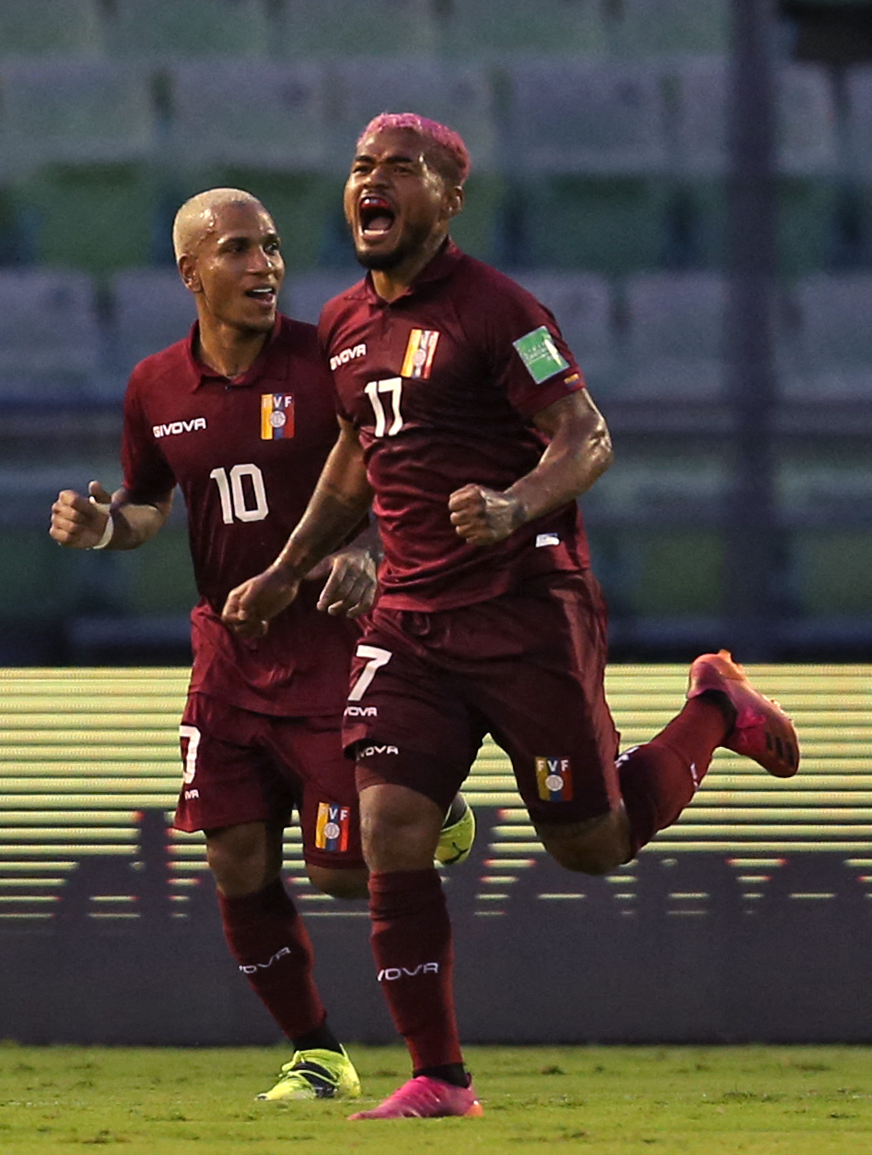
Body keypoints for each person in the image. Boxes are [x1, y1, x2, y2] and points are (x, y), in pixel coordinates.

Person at [222, 116, 801, 1120]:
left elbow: (587, 438)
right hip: (409, 618)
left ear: (447, 199)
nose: (372, 181)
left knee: (591, 843)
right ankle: (440, 1079)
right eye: (361, 166)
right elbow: (359, 455)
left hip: (526, 608)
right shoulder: (348, 325)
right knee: (381, 832)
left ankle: (715, 706)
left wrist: (512, 505)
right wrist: (287, 566)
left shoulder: (499, 313)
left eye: (400, 169)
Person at [48, 189, 475, 1102]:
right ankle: (317, 1052)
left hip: (331, 649)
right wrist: (102, 528)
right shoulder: (154, 385)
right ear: (190, 271)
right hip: (229, 653)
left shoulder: (331, 359)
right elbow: (150, 505)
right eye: (239, 250)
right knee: (235, 855)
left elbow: (404, 473)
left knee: (334, 871)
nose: (265, 266)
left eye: (274, 248)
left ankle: (426, 808)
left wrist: (370, 551)